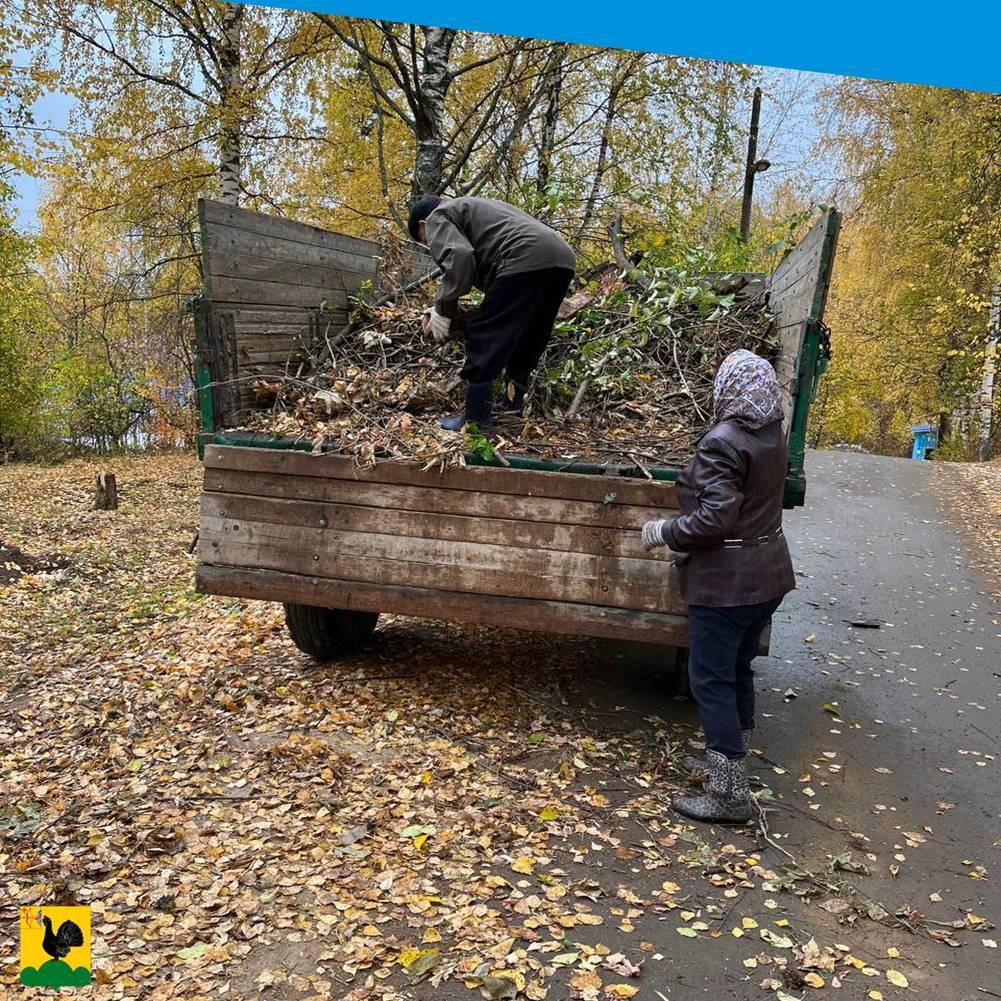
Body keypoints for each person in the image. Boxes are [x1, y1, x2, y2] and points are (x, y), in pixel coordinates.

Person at [641, 349, 795, 824]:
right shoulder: (773, 431)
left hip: (726, 583)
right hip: (767, 575)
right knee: (737, 668)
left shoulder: (723, 441)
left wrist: (664, 531)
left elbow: (715, 518)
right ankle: (730, 761)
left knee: (710, 681)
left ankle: (728, 794)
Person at [407, 195, 576, 431]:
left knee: (483, 333)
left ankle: (476, 420)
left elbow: (459, 256)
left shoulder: (438, 216)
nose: (431, 245)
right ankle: (511, 411)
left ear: (422, 225)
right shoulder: (475, 208)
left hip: (523, 255)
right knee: (527, 338)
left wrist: (443, 309)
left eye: (425, 241)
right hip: (562, 259)